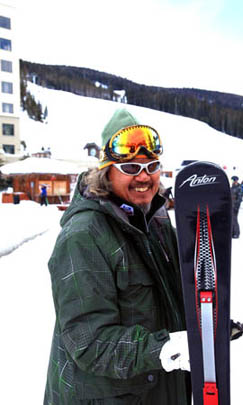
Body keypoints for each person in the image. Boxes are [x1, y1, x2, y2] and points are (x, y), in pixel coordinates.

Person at [44, 109, 192, 405]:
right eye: (130, 167)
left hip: (160, 391)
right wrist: (164, 349)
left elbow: (176, 298)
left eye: (151, 166)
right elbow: (89, 343)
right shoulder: (83, 236)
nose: (144, 177)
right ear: (106, 172)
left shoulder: (157, 223)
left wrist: (208, 327)